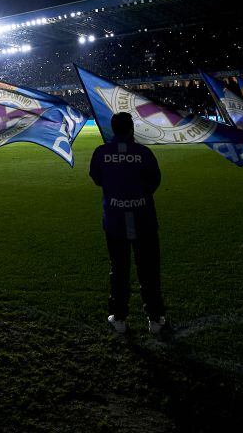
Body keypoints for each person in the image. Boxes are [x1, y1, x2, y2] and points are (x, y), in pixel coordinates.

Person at [89, 112, 167, 335]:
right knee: (149, 270)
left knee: (119, 270)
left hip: (114, 222)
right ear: (131, 128)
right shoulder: (143, 153)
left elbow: (96, 179)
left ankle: (120, 318)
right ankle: (155, 319)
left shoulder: (101, 153)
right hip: (144, 220)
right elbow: (155, 181)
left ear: (113, 129)